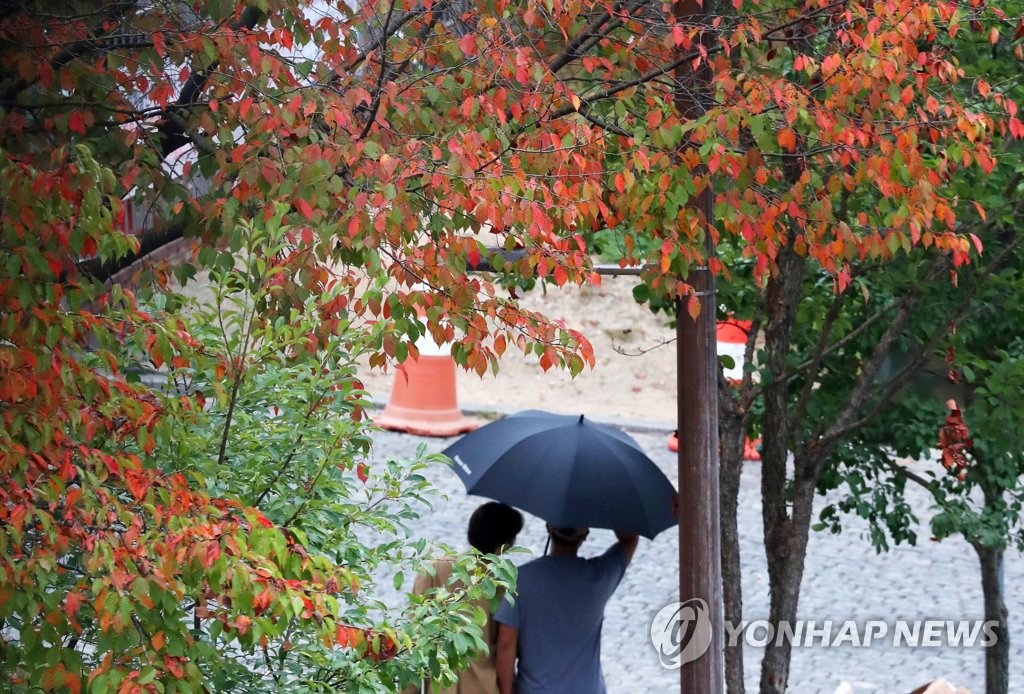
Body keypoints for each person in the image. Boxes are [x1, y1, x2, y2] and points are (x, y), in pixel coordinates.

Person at [493, 525, 638, 694]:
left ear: (548, 528)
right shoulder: (599, 577)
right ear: (585, 535)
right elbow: (630, 540)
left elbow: (505, 643)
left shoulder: (520, 579)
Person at [409, 502, 525, 694]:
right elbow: (507, 646)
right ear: (504, 545)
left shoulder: (434, 570)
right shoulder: (505, 584)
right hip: (486, 687)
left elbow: (414, 640)